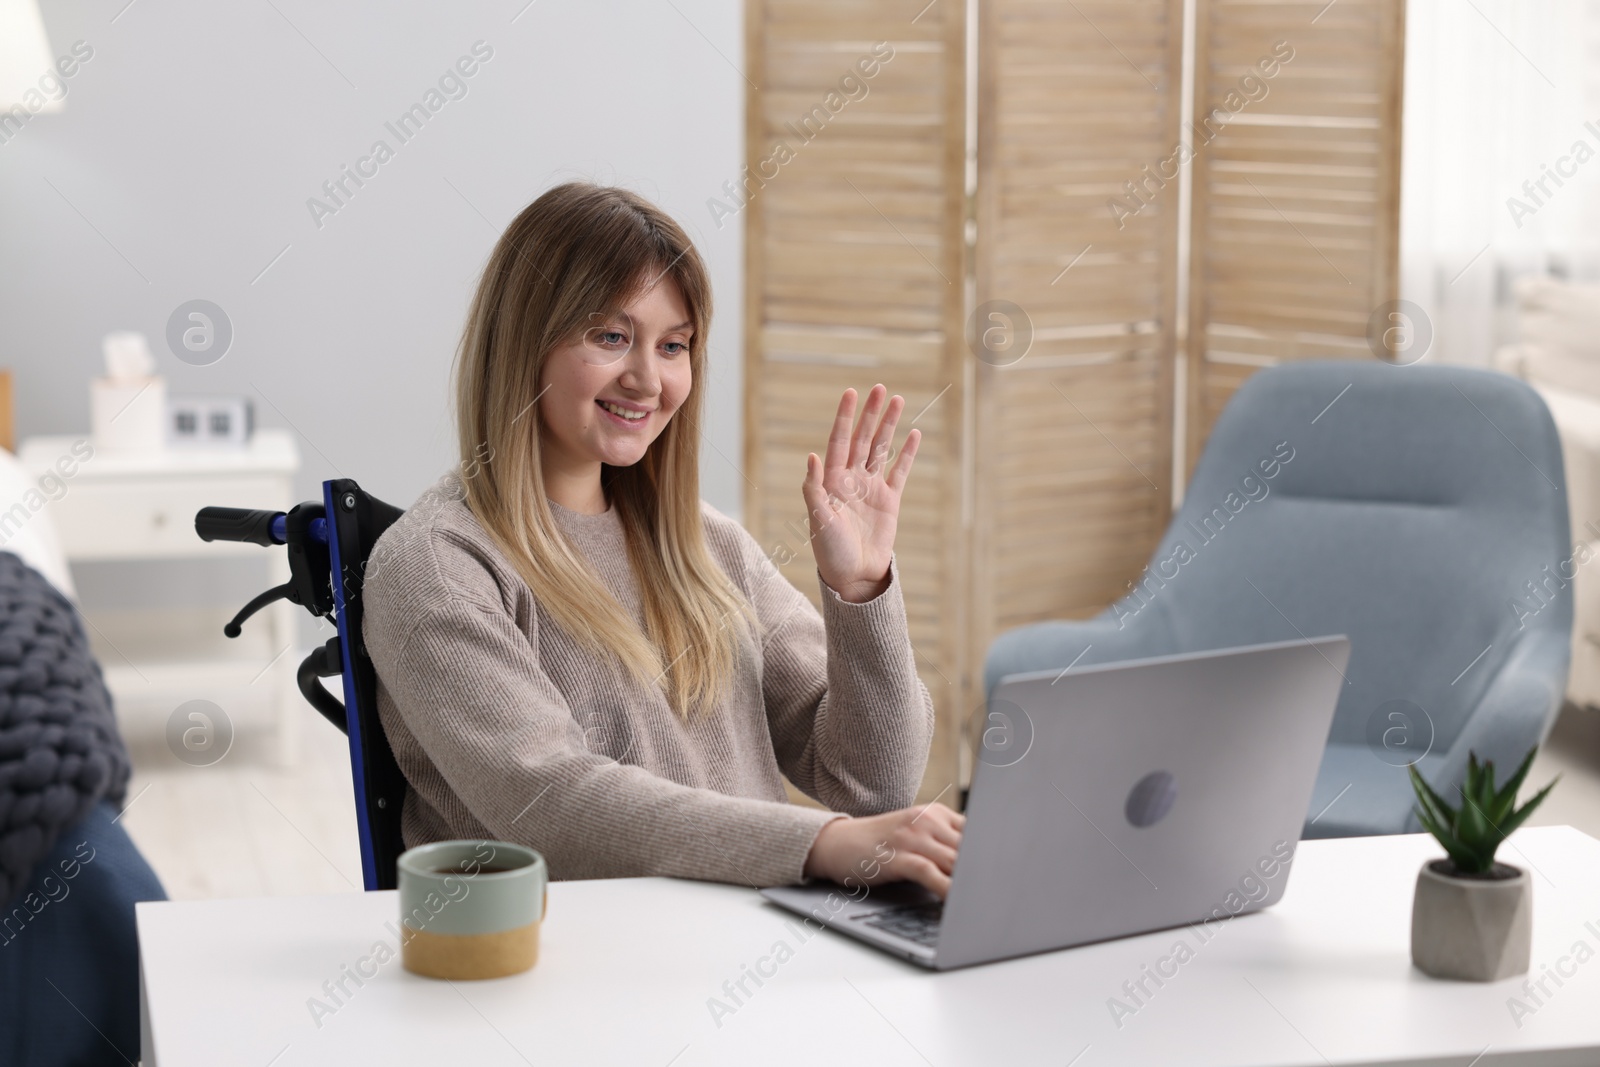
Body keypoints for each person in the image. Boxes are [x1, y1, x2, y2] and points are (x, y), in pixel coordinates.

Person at [363, 181, 964, 898]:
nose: (649, 379)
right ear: (525, 341)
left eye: (673, 345)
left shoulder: (710, 548)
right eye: (611, 336)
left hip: (750, 949)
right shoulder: (435, 565)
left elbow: (875, 782)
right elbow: (549, 805)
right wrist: (821, 843)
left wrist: (862, 591)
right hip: (581, 976)